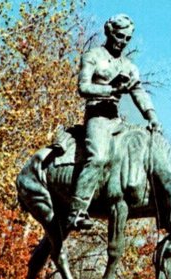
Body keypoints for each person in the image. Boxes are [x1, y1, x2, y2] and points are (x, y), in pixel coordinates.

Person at [67, 13, 162, 230]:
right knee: (99, 158)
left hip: (116, 119)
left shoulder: (128, 65)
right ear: (110, 32)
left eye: (128, 38)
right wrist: (111, 89)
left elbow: (139, 91)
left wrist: (152, 116)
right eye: (120, 36)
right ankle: (76, 211)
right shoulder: (93, 55)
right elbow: (83, 87)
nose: (123, 42)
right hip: (97, 117)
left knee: (142, 149)